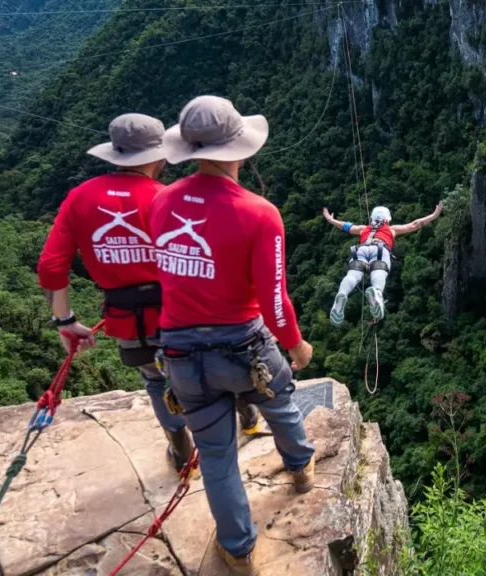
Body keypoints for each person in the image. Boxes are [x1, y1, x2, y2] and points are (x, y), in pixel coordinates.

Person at [152, 95, 316, 576]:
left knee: (216, 455)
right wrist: (296, 344)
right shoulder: (259, 213)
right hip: (245, 347)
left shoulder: (161, 201)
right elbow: (274, 299)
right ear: (240, 148)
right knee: (280, 402)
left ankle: (239, 551)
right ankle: (301, 469)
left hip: (182, 354)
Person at [37, 113, 199, 472]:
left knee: (155, 381)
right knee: (202, 373)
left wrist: (65, 320)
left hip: (128, 320)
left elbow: (50, 266)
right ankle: (235, 426)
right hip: (182, 311)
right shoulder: (168, 197)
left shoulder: (81, 197)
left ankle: (181, 452)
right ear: (160, 155)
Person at [322, 202, 442, 326]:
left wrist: (331, 220)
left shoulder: (363, 228)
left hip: (361, 250)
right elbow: (414, 224)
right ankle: (377, 292)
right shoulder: (391, 229)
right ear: (387, 219)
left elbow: (346, 226)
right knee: (379, 272)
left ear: (372, 219)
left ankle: (342, 293)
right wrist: (433, 215)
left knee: (352, 275)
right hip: (380, 249)